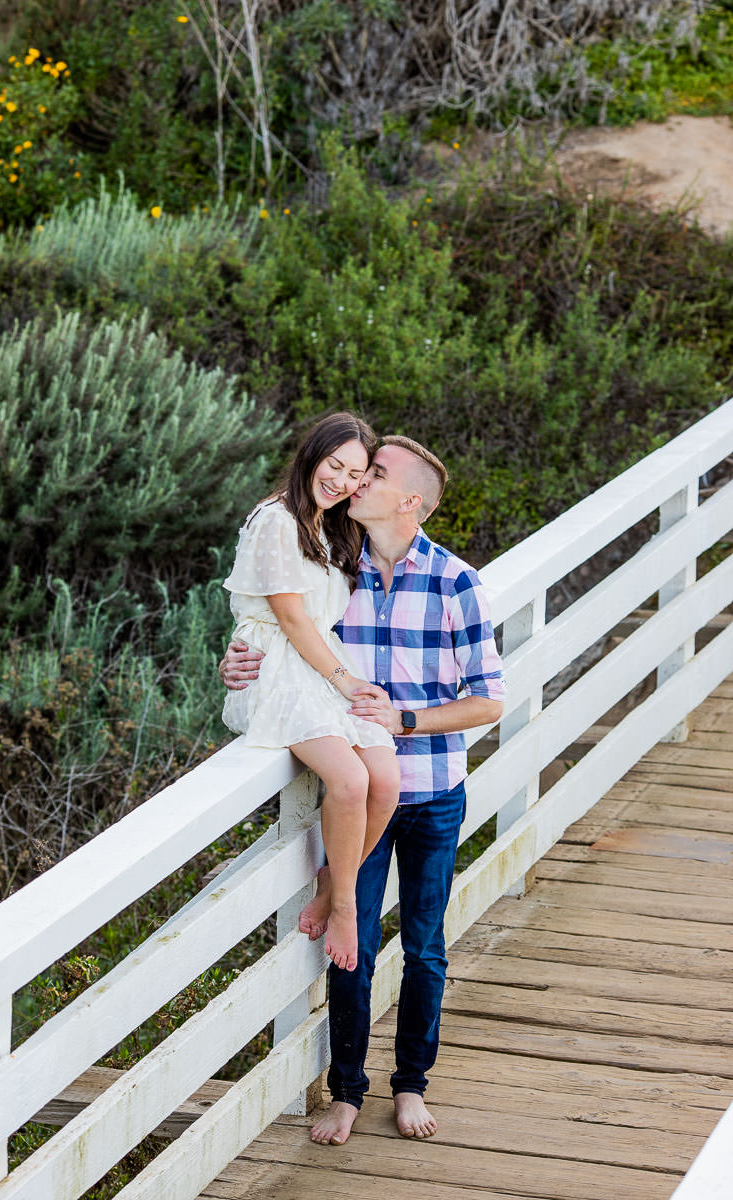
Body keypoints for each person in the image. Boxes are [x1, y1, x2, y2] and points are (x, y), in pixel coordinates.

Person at [220, 433, 505, 1145]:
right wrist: (238, 658)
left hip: (432, 786)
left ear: (410, 501)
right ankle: (346, 1091)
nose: (358, 482)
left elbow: (491, 701)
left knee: (425, 946)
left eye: (373, 474)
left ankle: (411, 1085)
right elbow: (289, 627)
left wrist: (406, 719)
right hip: (362, 785)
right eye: (356, 470)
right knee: (352, 945)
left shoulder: (456, 581)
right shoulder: (336, 556)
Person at [221, 412, 400, 974]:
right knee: (349, 781)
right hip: (281, 667)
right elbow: (292, 621)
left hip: (319, 665)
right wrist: (345, 683)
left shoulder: (334, 525)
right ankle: (346, 907)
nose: (342, 481)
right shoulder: (276, 520)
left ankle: (329, 883)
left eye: (355, 474)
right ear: (312, 456)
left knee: (387, 782)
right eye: (334, 465)